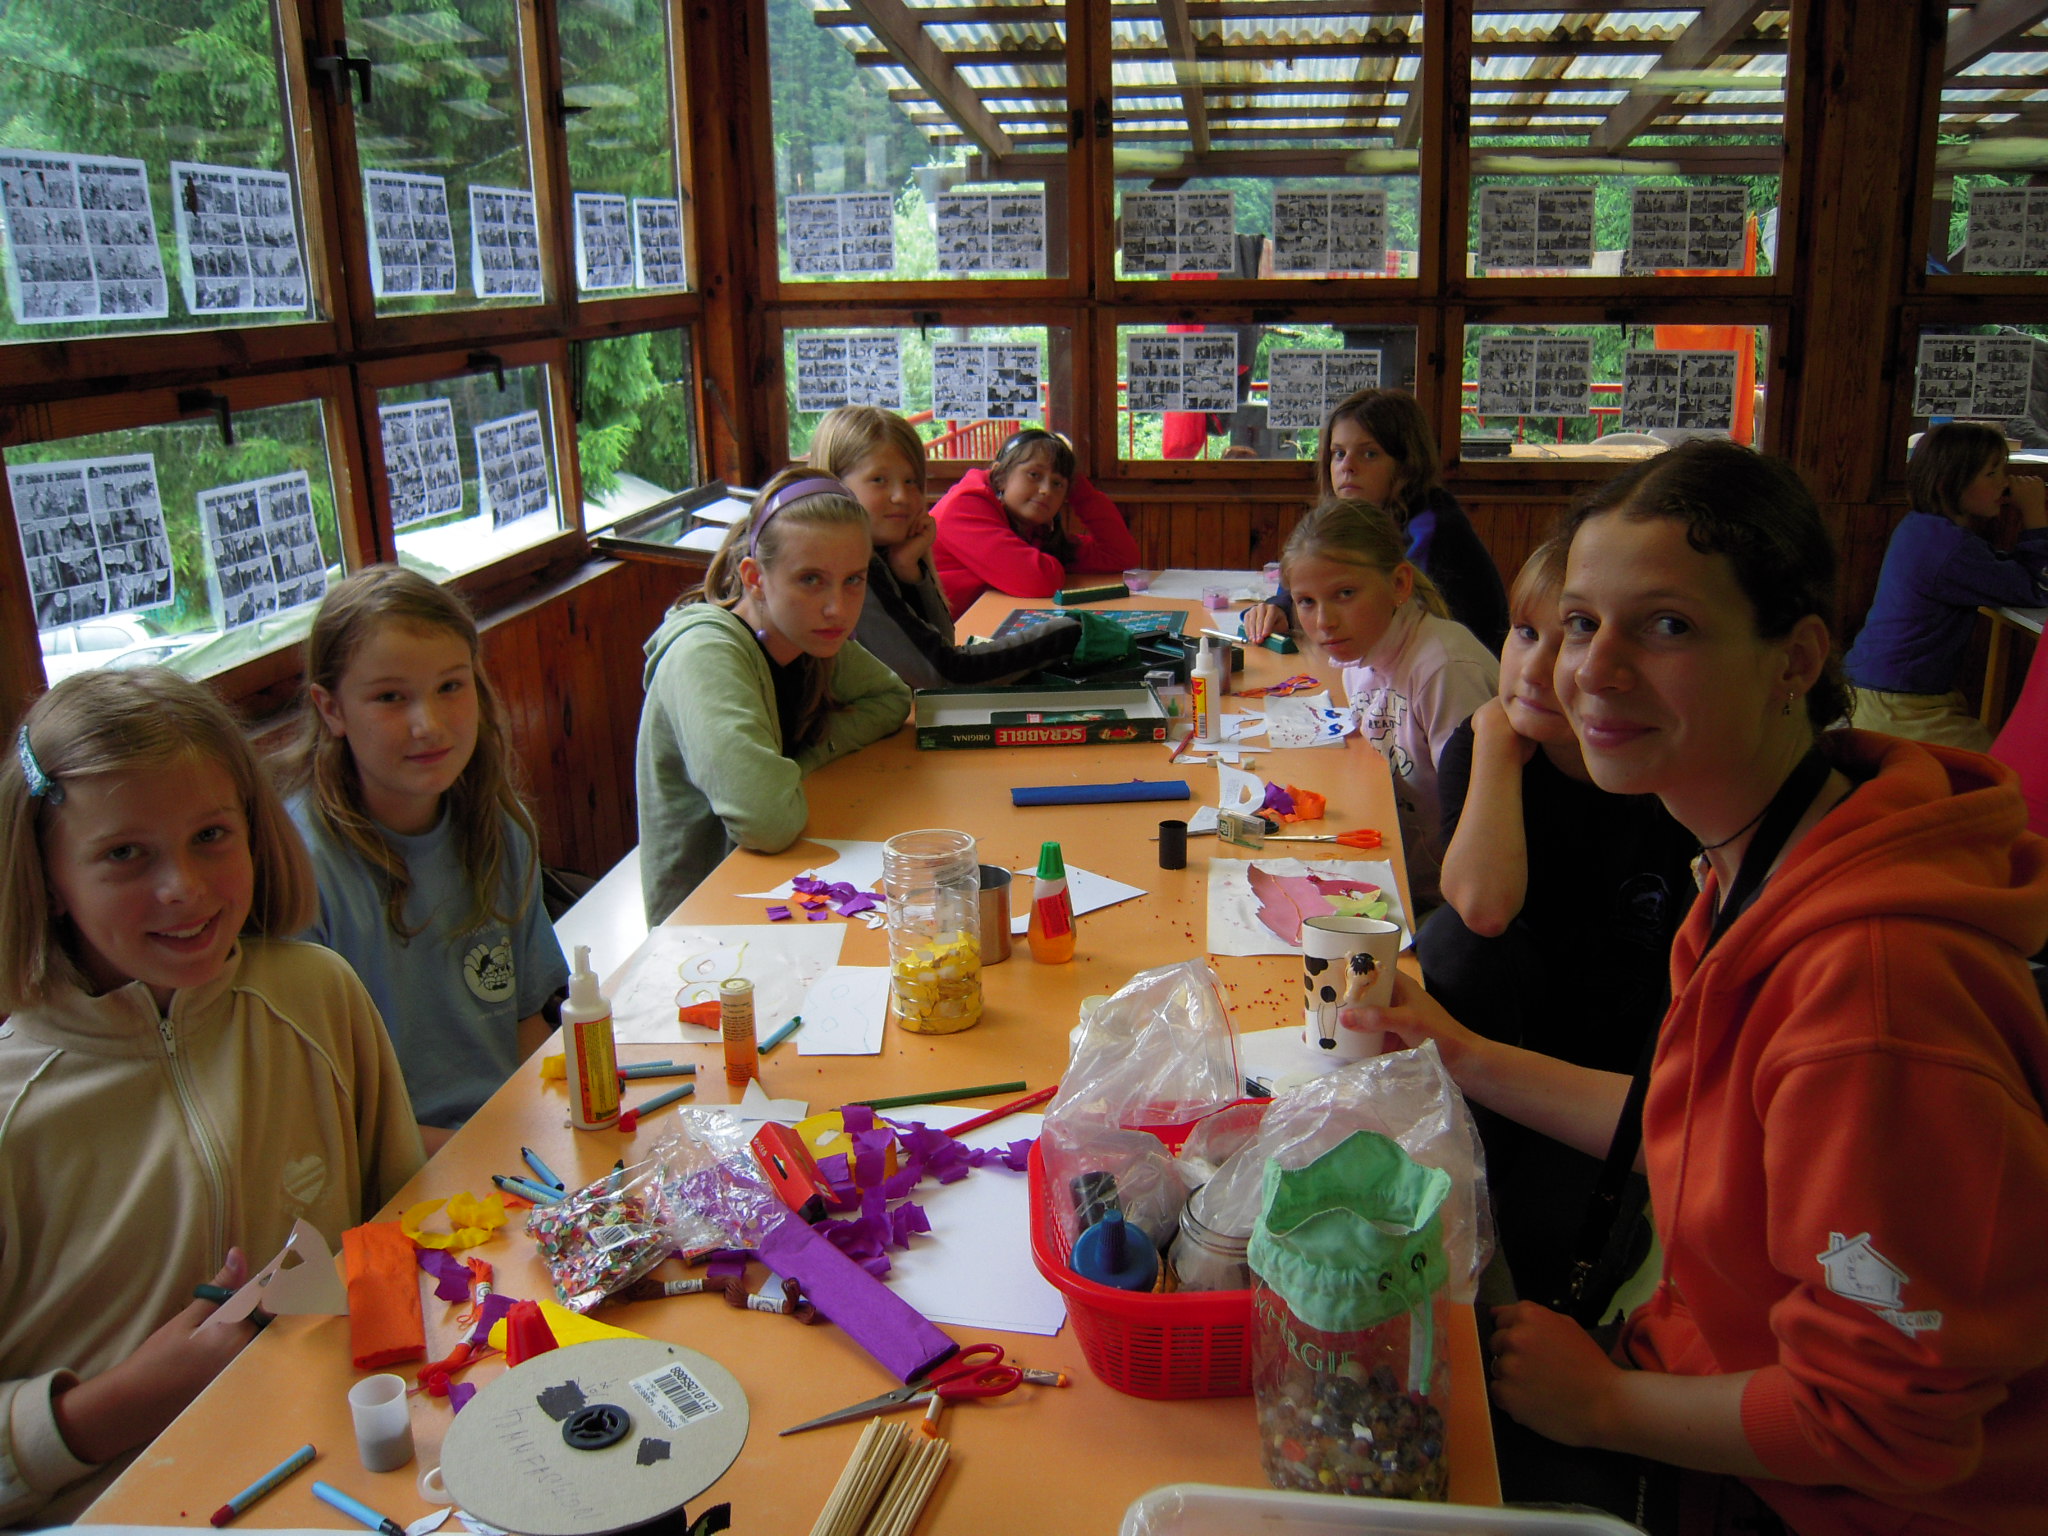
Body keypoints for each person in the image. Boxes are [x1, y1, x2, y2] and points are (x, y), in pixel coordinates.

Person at [1350, 441, 2048, 1536]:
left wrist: (1605, 1406)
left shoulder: (1872, 999)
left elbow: (1885, 1420)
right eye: (1580, 622)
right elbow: (1697, 1125)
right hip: (1700, 1370)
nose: (1592, 669)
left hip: (1814, 1498)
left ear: (1795, 658)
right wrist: (1460, 1053)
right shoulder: (1764, 857)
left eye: (1666, 625)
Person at [0, 670, 423, 1526]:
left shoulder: (318, 997)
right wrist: (115, 1405)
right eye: (125, 854)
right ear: (47, 876)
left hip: (342, 1474)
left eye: (211, 836)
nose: (184, 888)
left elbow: (405, 1228)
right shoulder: (15, 1112)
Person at [1417, 536, 1697, 1305]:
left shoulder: (1669, 782)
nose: (1536, 669)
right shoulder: (1487, 747)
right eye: (1525, 633)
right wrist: (1497, 746)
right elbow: (1481, 908)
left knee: (1549, 1264)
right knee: (1451, 941)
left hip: (1612, 1075)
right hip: (1504, 1040)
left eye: (1572, 636)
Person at [283, 567, 568, 1150]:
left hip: (506, 1141)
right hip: (392, 1167)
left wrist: (553, 1125)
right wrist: (488, 1150)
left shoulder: (499, 826)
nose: (429, 725)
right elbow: (319, 1114)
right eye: (390, 697)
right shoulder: (301, 870)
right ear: (331, 709)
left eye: (450, 686)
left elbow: (526, 1021)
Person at [636, 469, 912, 923]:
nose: (837, 608)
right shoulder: (704, 653)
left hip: (782, 891)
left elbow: (890, 699)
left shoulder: (805, 634)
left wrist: (798, 766)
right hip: (706, 926)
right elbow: (767, 821)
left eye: (853, 580)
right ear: (755, 578)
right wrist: (786, 781)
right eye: (810, 579)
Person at [1281, 498, 1497, 911]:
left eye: (1345, 593)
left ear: (1399, 584)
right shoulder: (1358, 658)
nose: (1324, 622)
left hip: (1448, 898)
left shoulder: (1446, 671)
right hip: (1397, 867)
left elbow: (1480, 822)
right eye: (1306, 601)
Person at [806, 406, 1089, 688]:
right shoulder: (847, 569)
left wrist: (909, 570)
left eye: (911, 481)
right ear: (834, 485)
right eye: (879, 480)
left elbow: (940, 644)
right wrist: (1067, 634)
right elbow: (942, 673)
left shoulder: (883, 554)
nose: (901, 496)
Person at [1244, 388, 1510, 653]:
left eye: (1369, 454)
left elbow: (1389, 620)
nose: (1347, 466)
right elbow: (1312, 580)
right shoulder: (1345, 521)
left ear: (1407, 463)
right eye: (1339, 453)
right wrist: (1280, 608)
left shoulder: (1435, 530)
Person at [1844, 421, 2048, 749]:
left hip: (1878, 690)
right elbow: (2039, 589)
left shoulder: (1924, 530)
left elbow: (2006, 574)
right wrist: (2035, 514)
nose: (2005, 482)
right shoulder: (1950, 549)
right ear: (1947, 484)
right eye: (1991, 474)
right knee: (2001, 770)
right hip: (1898, 706)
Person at [930, 427, 1141, 618]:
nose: (1046, 490)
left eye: (1057, 484)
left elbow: (1120, 555)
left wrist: (1080, 491)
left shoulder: (1033, 529)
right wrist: (1052, 566)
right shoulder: (963, 507)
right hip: (935, 639)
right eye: (1034, 475)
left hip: (975, 627)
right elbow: (1038, 580)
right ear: (1000, 477)